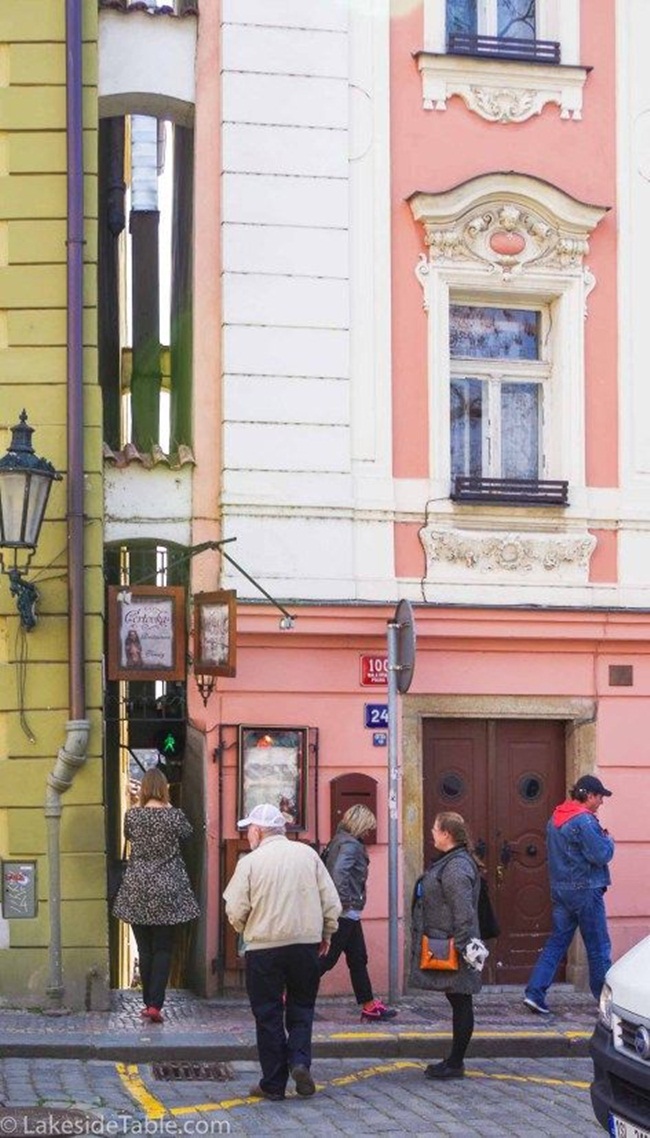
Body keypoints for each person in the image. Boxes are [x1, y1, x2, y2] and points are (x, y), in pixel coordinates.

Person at [223, 802, 341, 1102]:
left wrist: (244, 929)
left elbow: (235, 909)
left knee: (268, 1014)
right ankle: (300, 1061)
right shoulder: (308, 855)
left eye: (250, 829)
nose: (249, 834)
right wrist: (326, 931)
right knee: (302, 1008)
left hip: (264, 948)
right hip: (305, 945)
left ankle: (273, 1083)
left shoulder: (250, 862)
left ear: (259, 831)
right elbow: (331, 901)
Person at [112, 768, 200, 1023]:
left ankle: (147, 1000)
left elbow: (129, 837)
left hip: (137, 887)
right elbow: (188, 835)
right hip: (168, 888)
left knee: (145, 948)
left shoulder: (133, 817)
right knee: (163, 948)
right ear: (164, 789)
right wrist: (169, 806)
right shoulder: (175, 816)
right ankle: (155, 1004)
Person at [524, 774, 615, 1016]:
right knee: (598, 947)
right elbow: (601, 855)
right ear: (588, 796)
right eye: (599, 797)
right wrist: (609, 839)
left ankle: (534, 993)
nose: (601, 802)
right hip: (585, 891)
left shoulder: (555, 817)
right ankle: (606, 1003)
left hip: (561, 891)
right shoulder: (584, 821)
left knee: (557, 942)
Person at [409, 811, 484, 1080]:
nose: (431, 833)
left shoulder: (456, 867)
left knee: (461, 1000)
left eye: (435, 829)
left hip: (455, 943)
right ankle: (454, 1060)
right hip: (450, 940)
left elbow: (462, 911)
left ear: (446, 834)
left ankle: (455, 1062)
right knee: (458, 999)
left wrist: (463, 947)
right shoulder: (451, 861)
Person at [319, 804, 397, 1022]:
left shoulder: (338, 841)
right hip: (345, 911)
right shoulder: (351, 845)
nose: (368, 832)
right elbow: (339, 874)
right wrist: (343, 904)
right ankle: (291, 991)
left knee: (358, 958)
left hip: (347, 911)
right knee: (328, 959)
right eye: (368, 827)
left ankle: (369, 1005)